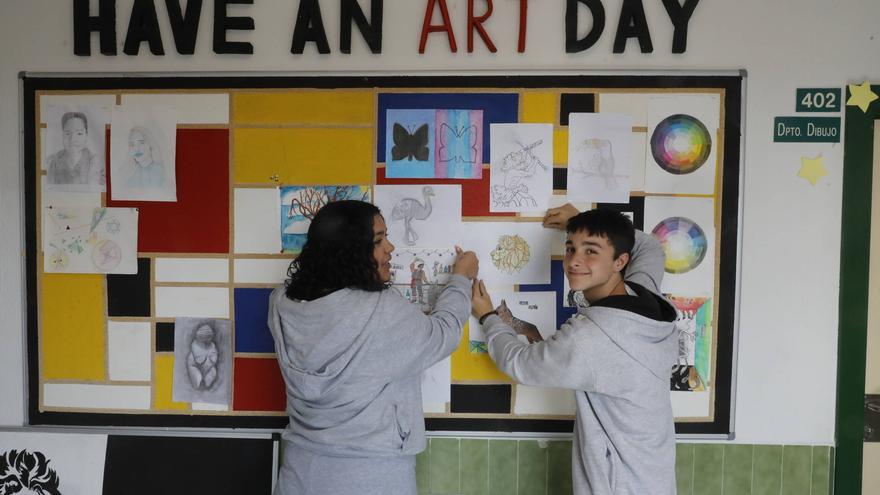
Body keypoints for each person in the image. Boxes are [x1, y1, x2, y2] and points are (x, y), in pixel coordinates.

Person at [267, 200, 478, 495]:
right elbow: (443, 334)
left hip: (300, 473)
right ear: (351, 253)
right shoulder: (381, 311)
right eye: (379, 241)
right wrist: (460, 280)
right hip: (373, 474)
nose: (390, 248)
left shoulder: (281, 303)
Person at [472, 203, 678, 495]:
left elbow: (520, 363)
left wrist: (487, 317)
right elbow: (651, 248)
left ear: (621, 262)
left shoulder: (589, 338)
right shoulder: (641, 292)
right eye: (571, 248)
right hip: (655, 481)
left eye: (591, 250)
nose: (573, 261)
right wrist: (582, 221)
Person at [46, 111, 104, 187]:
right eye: (68, 133)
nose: (73, 139)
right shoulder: (52, 162)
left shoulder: (95, 162)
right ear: (62, 134)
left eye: (79, 133)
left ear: (86, 135)